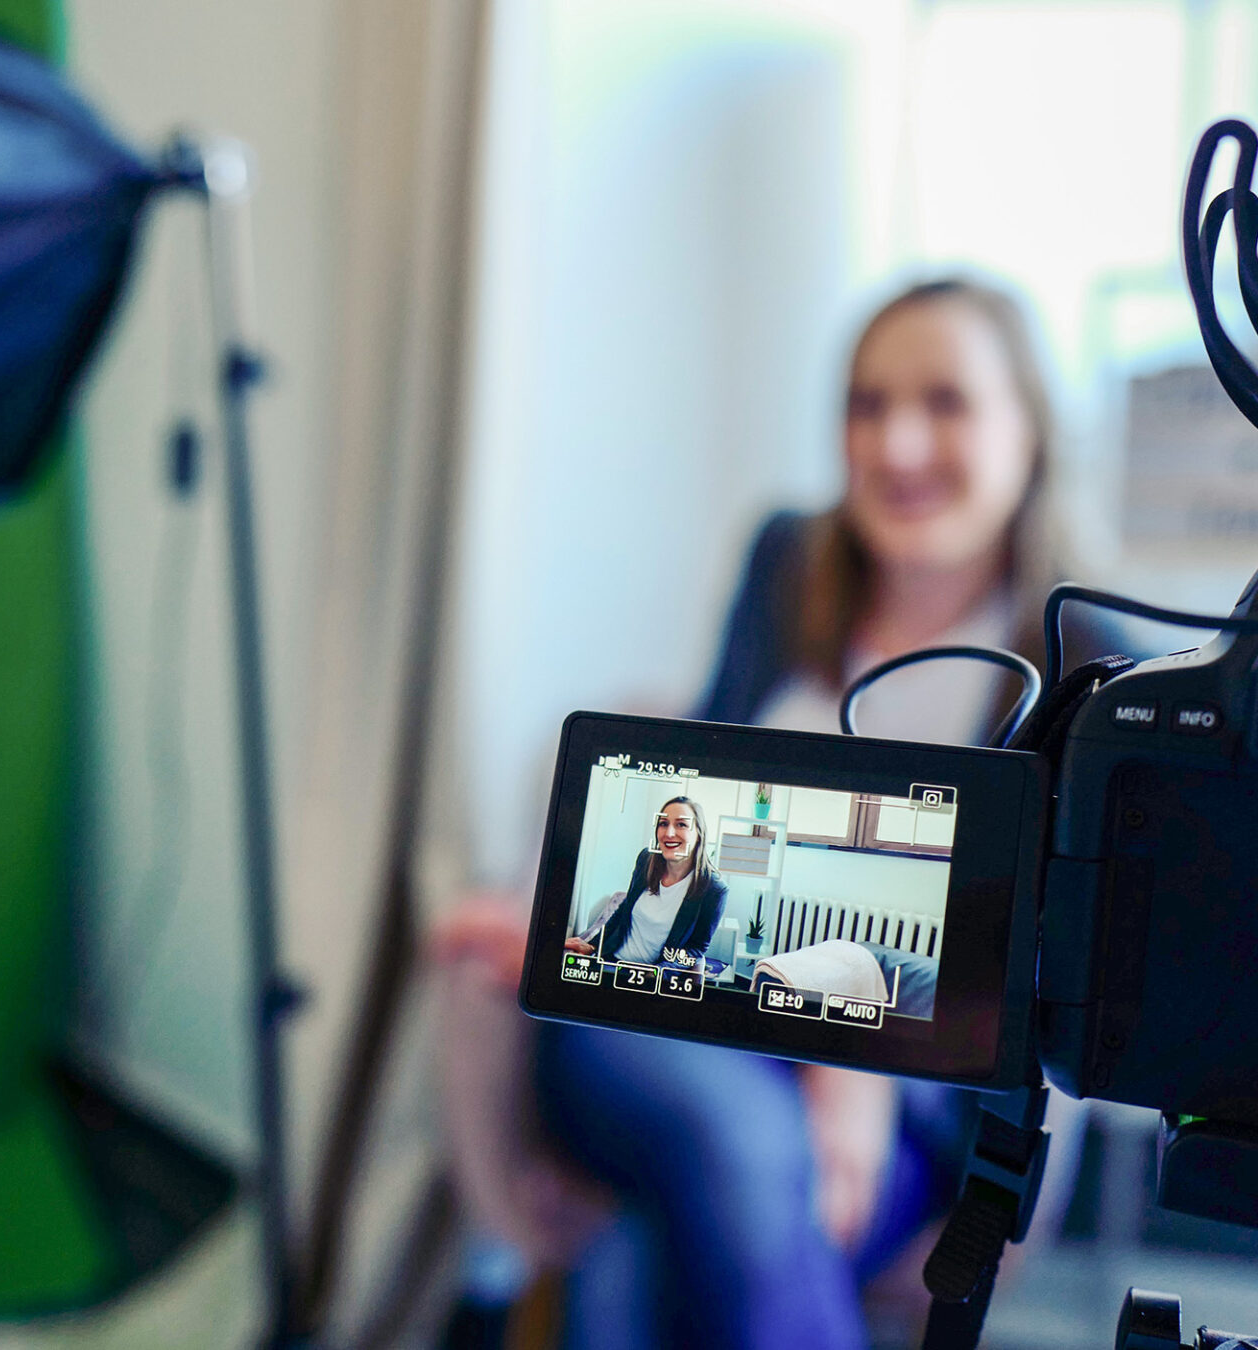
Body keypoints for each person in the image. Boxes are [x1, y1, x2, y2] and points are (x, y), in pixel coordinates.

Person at [436, 276, 1104, 1350]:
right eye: (865, 405)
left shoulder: (1086, 655)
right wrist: (560, 909)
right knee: (729, 1139)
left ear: (1029, 426)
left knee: (661, 1237)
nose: (895, 444)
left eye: (944, 402)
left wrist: (854, 1056)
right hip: (660, 1025)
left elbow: (1051, 968)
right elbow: (683, 811)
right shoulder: (789, 562)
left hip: (904, 1111)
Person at [564, 798, 727, 966]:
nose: (669, 833)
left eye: (681, 825)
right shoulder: (646, 860)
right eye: (663, 823)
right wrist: (593, 946)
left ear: (699, 833)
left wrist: (659, 972)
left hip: (652, 975)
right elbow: (623, 911)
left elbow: (696, 948)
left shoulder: (714, 890)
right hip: (611, 961)